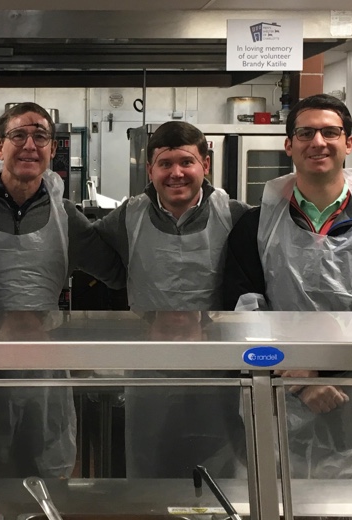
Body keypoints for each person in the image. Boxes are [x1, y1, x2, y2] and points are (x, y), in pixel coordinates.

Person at [0, 102, 126, 477]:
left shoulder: (67, 217)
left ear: (53, 149)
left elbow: (117, 273)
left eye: (40, 136)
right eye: (18, 135)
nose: (29, 145)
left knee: (44, 474)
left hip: (44, 372)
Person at [223, 93, 352, 478]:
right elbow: (241, 313)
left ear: (349, 143)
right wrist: (297, 377)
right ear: (289, 145)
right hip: (273, 396)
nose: (318, 142)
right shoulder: (254, 227)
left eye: (330, 132)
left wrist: (324, 373)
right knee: (269, 496)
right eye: (305, 133)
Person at [94, 121, 250, 478]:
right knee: (149, 474)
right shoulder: (127, 217)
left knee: (219, 476)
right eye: (165, 164)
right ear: (150, 170)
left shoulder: (236, 215)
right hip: (150, 373)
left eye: (186, 162)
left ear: (205, 165)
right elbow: (94, 254)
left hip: (218, 375)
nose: (176, 173)